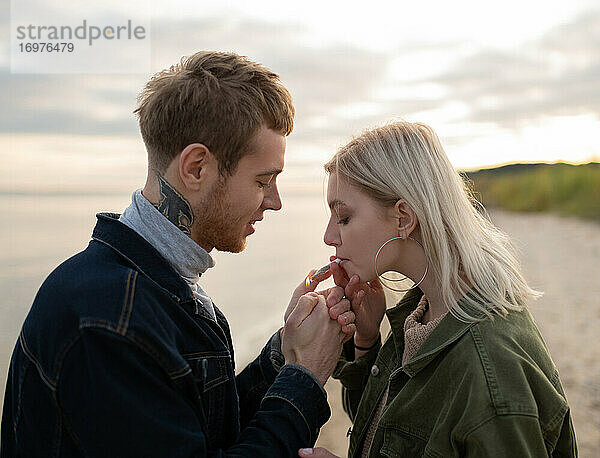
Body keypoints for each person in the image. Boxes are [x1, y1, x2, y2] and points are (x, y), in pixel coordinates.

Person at [1, 51, 356, 457]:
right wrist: (306, 374)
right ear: (196, 168)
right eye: (262, 181)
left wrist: (282, 353)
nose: (274, 202)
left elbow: (200, 428)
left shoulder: (156, 283)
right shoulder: (108, 324)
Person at [297, 121, 578, 457]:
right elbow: (384, 436)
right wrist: (366, 342)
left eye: (343, 217)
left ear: (403, 217)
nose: (329, 236)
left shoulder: (490, 367)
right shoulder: (423, 313)